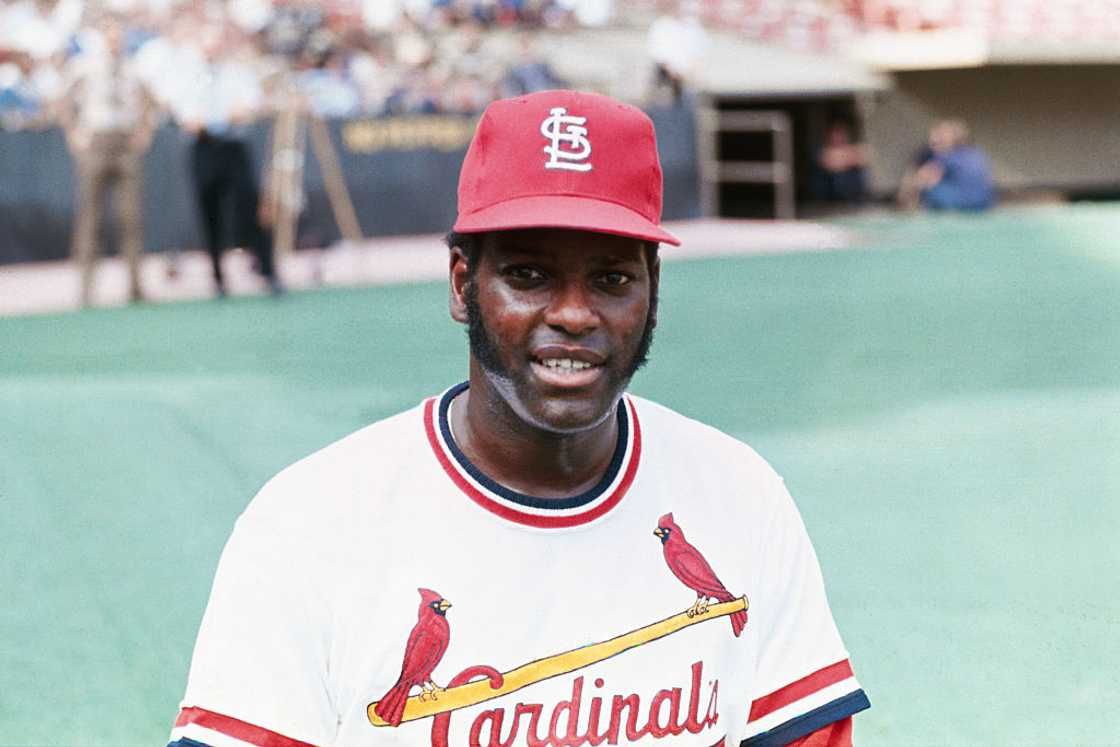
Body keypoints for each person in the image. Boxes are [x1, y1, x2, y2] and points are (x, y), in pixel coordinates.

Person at [169, 90, 870, 747]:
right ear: (461, 283)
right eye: (529, 274)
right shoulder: (309, 522)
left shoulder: (739, 493)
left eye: (612, 277)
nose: (572, 313)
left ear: (653, 290)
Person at [172, 28, 281, 297]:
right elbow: (183, 112)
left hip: (233, 146)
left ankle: (268, 270)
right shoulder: (188, 75)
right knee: (209, 212)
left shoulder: (237, 72)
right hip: (203, 147)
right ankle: (218, 277)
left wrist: (238, 112)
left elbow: (251, 104)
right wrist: (196, 121)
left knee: (250, 208)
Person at [61, 18, 157, 306]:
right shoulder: (85, 67)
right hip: (97, 141)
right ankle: (86, 290)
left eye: (119, 38)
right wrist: (73, 135)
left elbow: (149, 102)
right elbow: (65, 102)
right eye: (110, 38)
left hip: (125, 142)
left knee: (131, 218)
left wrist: (145, 131)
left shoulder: (134, 68)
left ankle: (136, 286)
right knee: (90, 217)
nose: (115, 44)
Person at [897, 118, 994, 212]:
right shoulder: (976, 153)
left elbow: (922, 180)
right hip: (984, 203)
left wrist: (906, 196)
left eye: (939, 136)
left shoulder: (946, 156)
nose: (933, 140)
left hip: (958, 204)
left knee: (931, 187)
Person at [812, 120, 868, 206]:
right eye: (836, 134)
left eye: (841, 134)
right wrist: (847, 158)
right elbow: (829, 162)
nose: (838, 137)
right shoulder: (821, 151)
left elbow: (864, 157)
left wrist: (843, 158)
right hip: (830, 199)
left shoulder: (853, 149)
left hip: (854, 198)